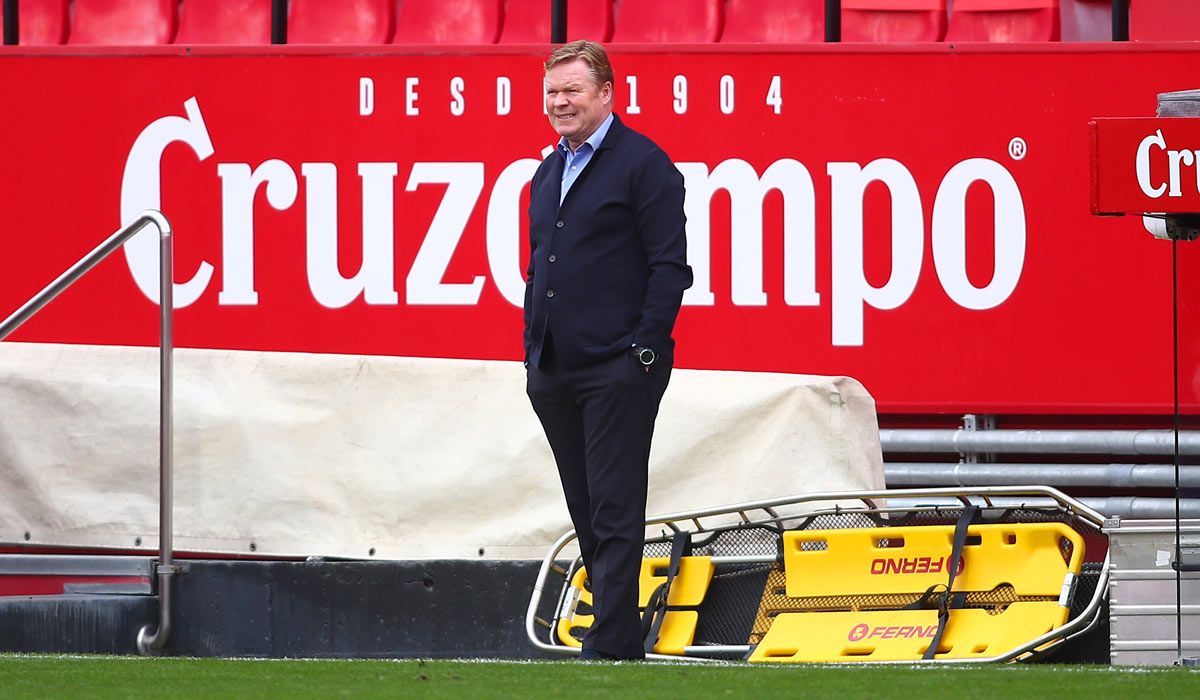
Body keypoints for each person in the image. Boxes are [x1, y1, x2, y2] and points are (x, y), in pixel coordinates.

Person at [523, 40, 693, 661]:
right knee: (585, 504)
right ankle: (618, 626)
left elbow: (670, 269)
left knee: (616, 503)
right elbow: (540, 267)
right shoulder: (548, 171)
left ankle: (613, 639)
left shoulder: (645, 165)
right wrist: (531, 351)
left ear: (606, 95)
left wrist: (643, 353)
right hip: (554, 369)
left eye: (572, 91)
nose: (559, 103)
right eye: (551, 92)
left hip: (618, 367)